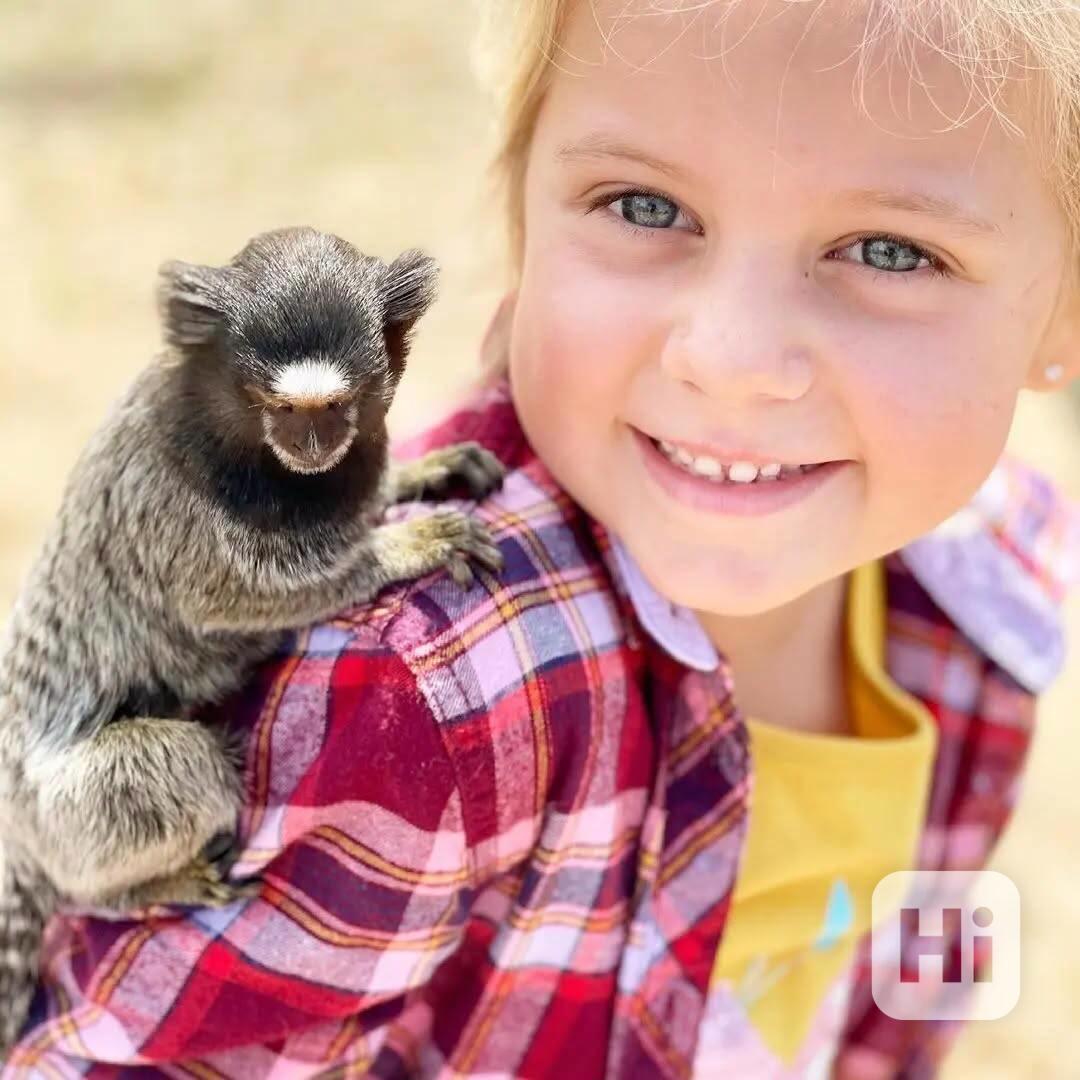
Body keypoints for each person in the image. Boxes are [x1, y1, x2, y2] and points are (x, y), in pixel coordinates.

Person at [8, 1, 1080, 1077]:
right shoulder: (426, 702)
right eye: (645, 206)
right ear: (521, 229)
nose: (732, 358)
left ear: (1064, 314)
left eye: (893, 252)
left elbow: (901, 1007)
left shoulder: (991, 595)